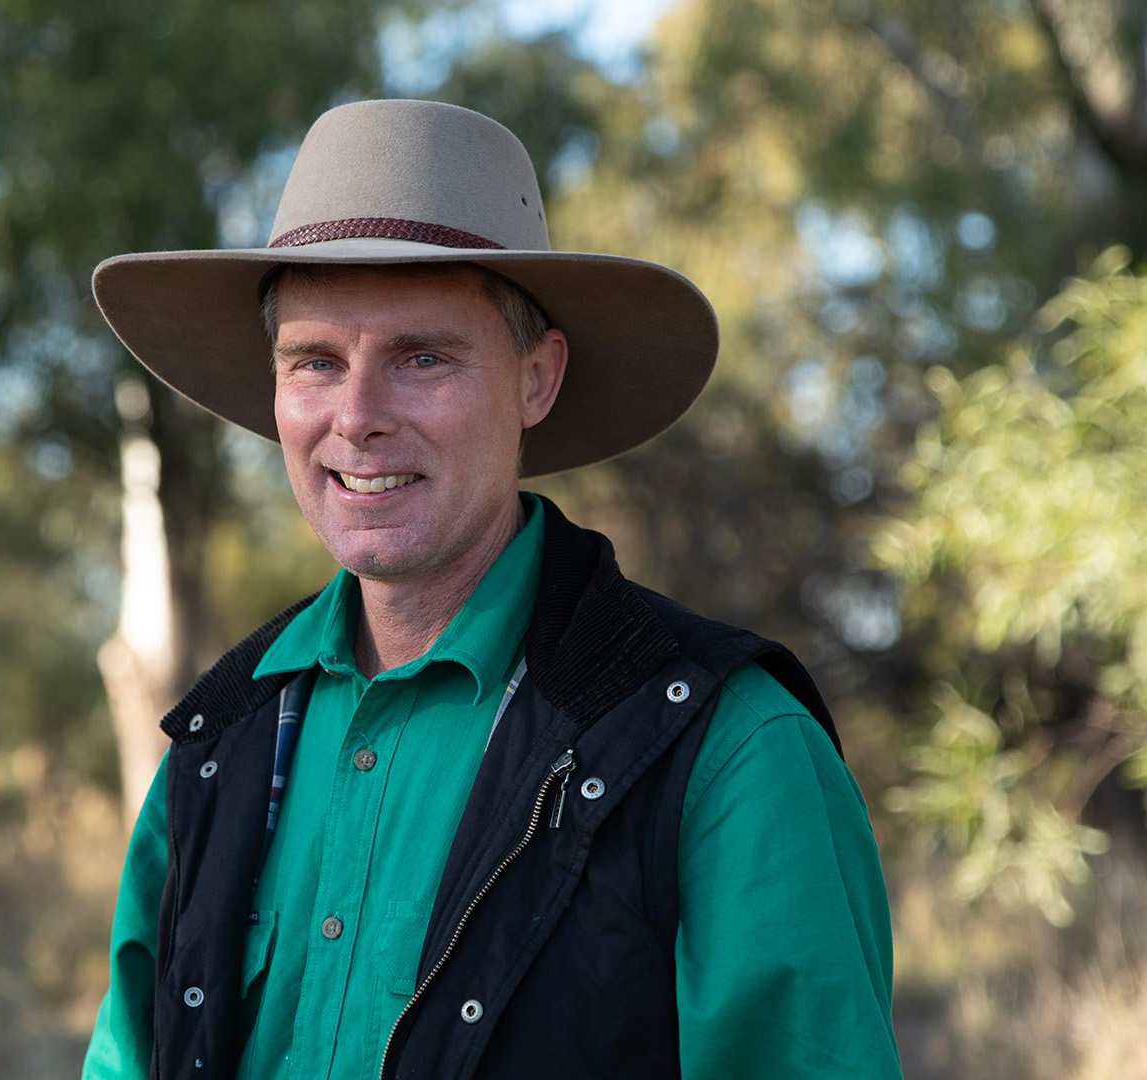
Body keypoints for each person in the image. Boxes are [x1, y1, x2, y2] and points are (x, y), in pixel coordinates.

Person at [81, 98, 900, 1080]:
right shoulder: (218, 746)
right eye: (316, 362)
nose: (358, 416)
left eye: (422, 357)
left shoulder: (730, 753)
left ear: (536, 379)